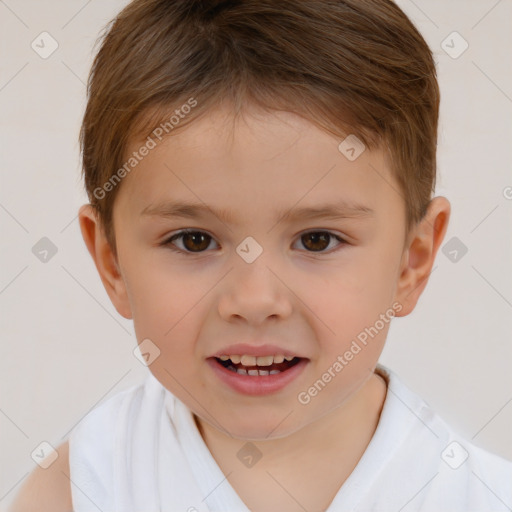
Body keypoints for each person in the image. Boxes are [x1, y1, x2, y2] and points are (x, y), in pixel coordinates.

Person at [10, 0, 512, 510]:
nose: (254, 300)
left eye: (317, 240)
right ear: (111, 261)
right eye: (194, 240)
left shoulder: (480, 496)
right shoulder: (79, 490)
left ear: (412, 260)